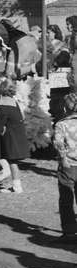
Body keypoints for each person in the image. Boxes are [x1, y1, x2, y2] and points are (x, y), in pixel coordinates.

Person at [0, 78, 30, 193]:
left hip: (10, 136)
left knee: (1, 157)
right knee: (13, 161)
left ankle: (4, 174)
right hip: (16, 134)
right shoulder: (13, 101)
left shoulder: (2, 104)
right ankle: (17, 186)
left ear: (1, 89)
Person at [51, 93, 77, 243]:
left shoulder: (61, 124)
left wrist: (63, 159)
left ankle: (69, 232)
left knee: (66, 200)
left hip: (68, 165)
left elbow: (59, 144)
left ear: (65, 108)